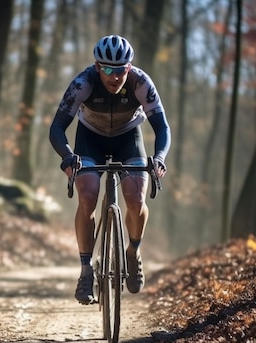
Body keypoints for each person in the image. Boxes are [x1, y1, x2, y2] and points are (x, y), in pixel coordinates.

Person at [49, 35, 171, 304]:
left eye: (121, 70)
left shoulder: (141, 83)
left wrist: (159, 157)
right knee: (88, 195)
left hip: (129, 138)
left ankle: (133, 251)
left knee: (136, 196)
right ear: (96, 67)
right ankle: (85, 271)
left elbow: (162, 127)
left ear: (129, 68)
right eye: (107, 69)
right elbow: (57, 128)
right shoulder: (83, 83)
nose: (114, 77)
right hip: (90, 138)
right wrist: (68, 157)